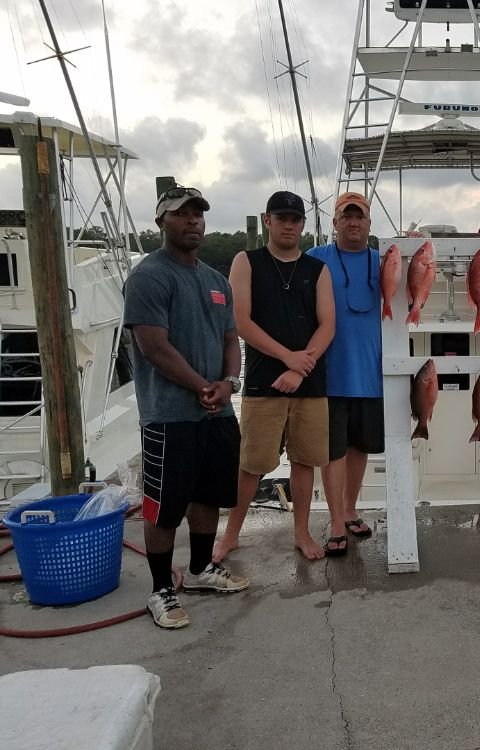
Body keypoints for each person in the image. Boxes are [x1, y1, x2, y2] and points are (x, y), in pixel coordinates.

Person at [123, 186, 248, 630]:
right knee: (162, 506)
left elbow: (231, 339)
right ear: (161, 222)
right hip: (168, 415)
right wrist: (201, 386)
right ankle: (160, 589)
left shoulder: (216, 281)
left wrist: (228, 383)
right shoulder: (149, 277)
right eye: (181, 214)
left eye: (198, 214)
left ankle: (199, 571)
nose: (192, 221)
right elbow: (153, 346)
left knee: (209, 494)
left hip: (217, 411)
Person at [212, 191, 335, 563]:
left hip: (310, 385)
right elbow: (241, 321)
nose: (288, 224)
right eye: (281, 217)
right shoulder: (245, 262)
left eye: (295, 219)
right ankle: (230, 534)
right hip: (265, 381)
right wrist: (288, 360)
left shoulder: (318, 269)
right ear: (267, 220)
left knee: (305, 460)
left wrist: (300, 369)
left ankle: (301, 531)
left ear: (302, 224)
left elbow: (328, 325)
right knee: (251, 463)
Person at [308, 192, 383, 554]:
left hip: (372, 374)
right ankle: (336, 520)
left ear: (369, 224)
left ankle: (351, 508)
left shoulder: (384, 261)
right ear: (334, 222)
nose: (354, 222)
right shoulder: (315, 259)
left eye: (360, 217)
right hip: (328, 374)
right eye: (346, 216)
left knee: (359, 447)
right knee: (332, 450)